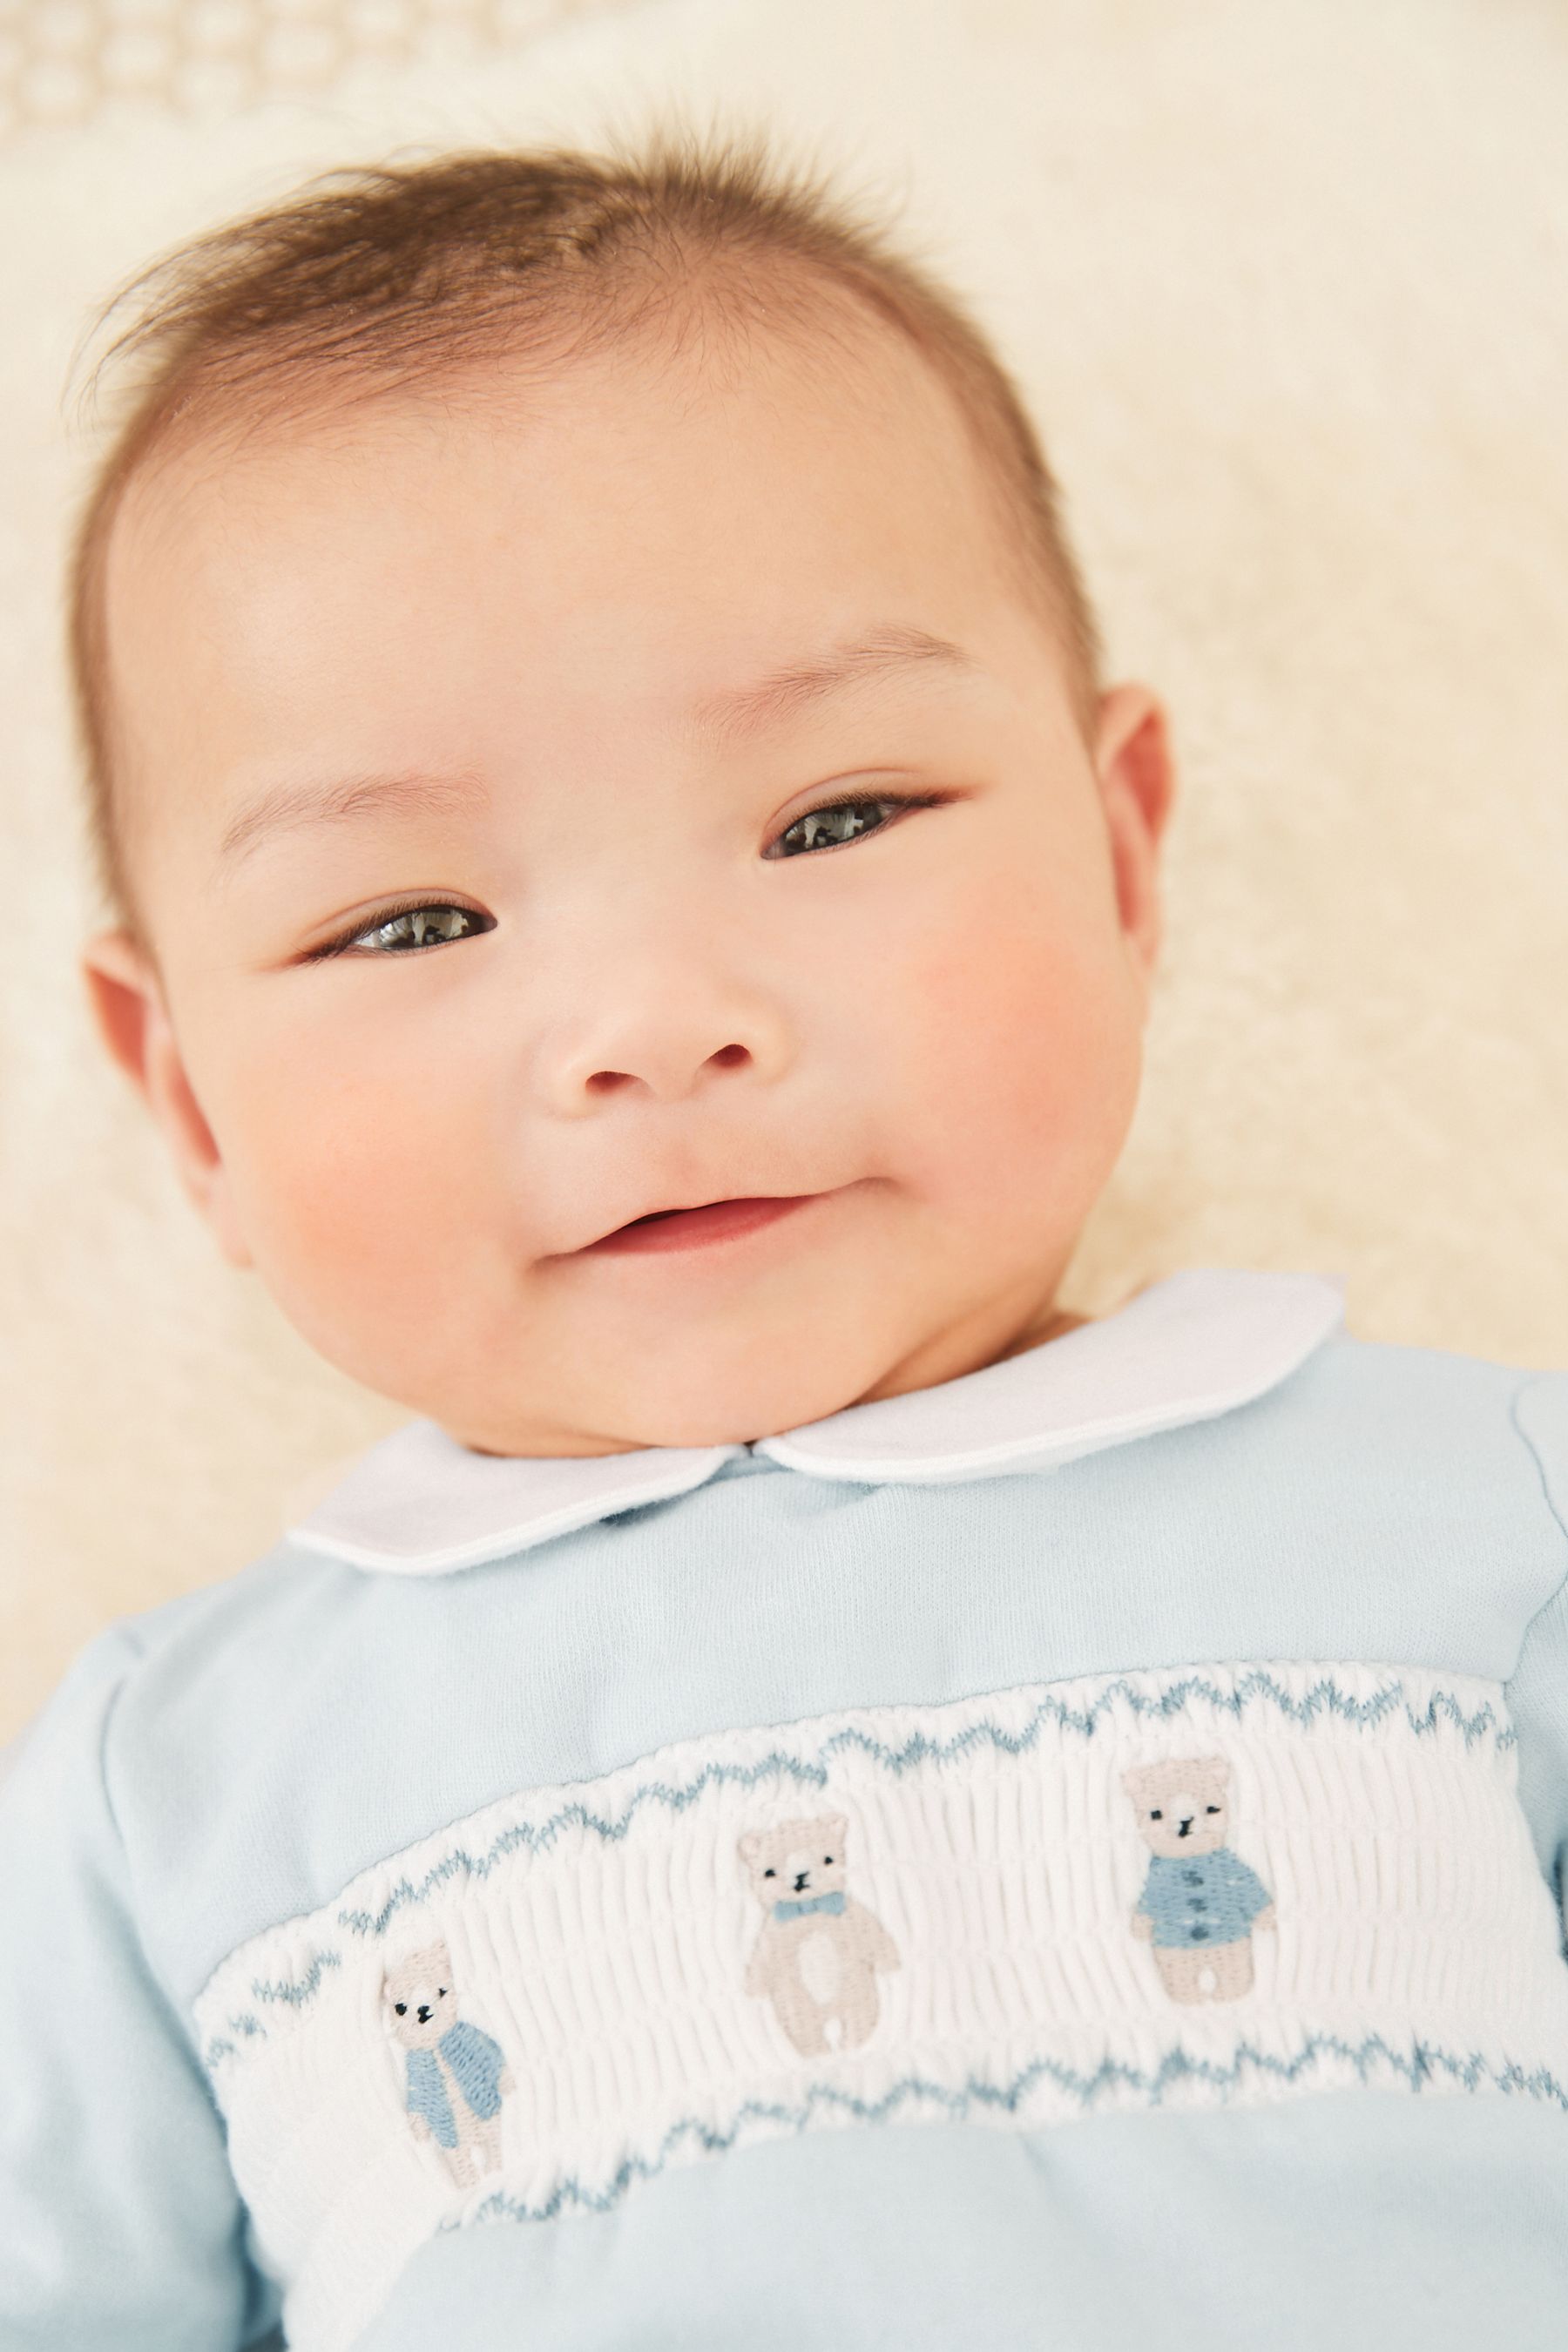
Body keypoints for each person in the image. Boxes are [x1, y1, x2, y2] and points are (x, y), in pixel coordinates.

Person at [2, 121, 1565, 2352]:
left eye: (834, 815)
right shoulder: (165, 1791)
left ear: (1125, 864)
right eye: (407, 917)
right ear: (185, 1105)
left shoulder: (1483, 1512)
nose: (655, 1029)